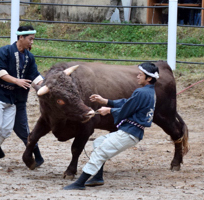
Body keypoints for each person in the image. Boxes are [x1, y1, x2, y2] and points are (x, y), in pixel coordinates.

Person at [63, 62, 159, 190]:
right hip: (131, 132)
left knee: (100, 152)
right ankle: (97, 177)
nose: (137, 76)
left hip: (129, 133)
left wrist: (109, 110)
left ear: (149, 78)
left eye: (140, 75)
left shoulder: (141, 92)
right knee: (98, 142)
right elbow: (128, 103)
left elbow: (127, 109)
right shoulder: (148, 92)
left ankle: (79, 183)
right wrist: (106, 101)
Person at [0, 25, 44, 171]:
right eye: (30, 39)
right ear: (21, 37)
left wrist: (47, 85)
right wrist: (17, 81)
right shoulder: (4, 51)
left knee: (6, 129)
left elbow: (35, 75)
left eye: (33, 39)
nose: (32, 42)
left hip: (13, 99)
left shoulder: (29, 57)